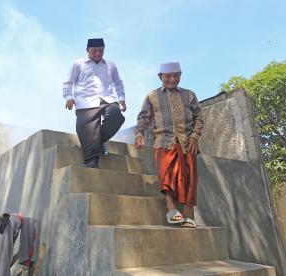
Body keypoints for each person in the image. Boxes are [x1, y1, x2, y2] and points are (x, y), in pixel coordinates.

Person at [134, 62, 203, 228]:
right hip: (163, 142)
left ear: (180, 75)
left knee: (189, 179)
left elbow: (199, 117)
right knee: (166, 177)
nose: (172, 79)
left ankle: (189, 215)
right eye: (168, 76)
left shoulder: (190, 95)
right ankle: (171, 209)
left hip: (187, 143)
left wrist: (194, 137)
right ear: (160, 77)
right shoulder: (152, 96)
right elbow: (144, 117)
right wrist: (139, 134)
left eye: (176, 76)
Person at [63, 38, 126, 168]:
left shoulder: (111, 65)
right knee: (87, 129)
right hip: (85, 101)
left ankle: (95, 141)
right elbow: (68, 82)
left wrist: (122, 99)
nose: (97, 53)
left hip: (107, 99)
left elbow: (118, 83)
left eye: (100, 51)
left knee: (116, 116)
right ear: (87, 50)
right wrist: (69, 97)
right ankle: (91, 164)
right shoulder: (78, 64)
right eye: (94, 51)